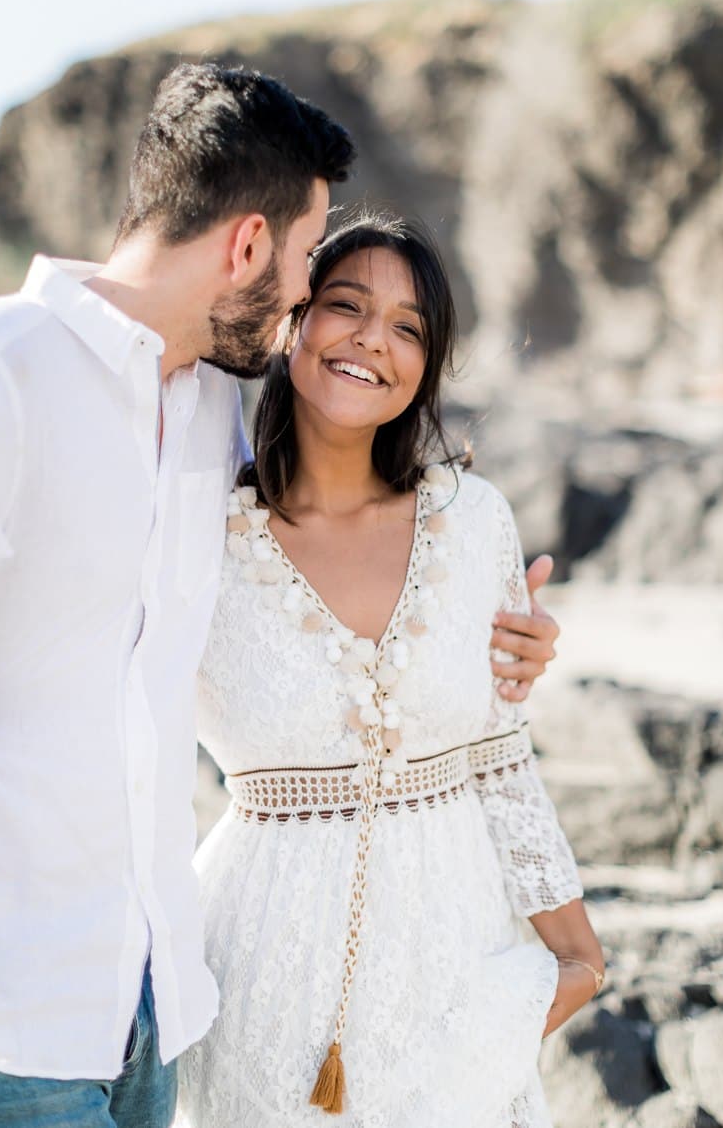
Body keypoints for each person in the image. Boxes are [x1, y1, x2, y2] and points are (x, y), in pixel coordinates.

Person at [0, 64, 557, 1128]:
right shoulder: (4, 376)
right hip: (10, 1020)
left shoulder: (207, 408)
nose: (304, 300)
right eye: (308, 262)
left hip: (158, 1006)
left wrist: (490, 647)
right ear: (249, 247)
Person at [176, 212, 602, 1127]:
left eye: (408, 327)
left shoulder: (473, 519)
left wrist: (578, 958)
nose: (375, 338)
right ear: (291, 320)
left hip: (454, 963)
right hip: (261, 979)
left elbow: (498, 751)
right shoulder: (194, 536)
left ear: (427, 366)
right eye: (346, 305)